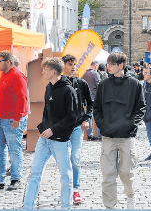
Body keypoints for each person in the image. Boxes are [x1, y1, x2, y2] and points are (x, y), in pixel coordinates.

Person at [23, 58, 78, 209]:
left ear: (53, 71)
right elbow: (47, 111)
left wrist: (53, 129)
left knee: (65, 176)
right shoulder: (48, 87)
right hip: (44, 139)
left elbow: (72, 117)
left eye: (45, 69)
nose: (42, 72)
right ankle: (28, 206)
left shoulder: (69, 90)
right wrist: (43, 127)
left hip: (60, 140)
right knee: (34, 173)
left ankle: (66, 206)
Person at [93, 51, 145, 210]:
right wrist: (103, 125)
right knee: (108, 174)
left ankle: (130, 196)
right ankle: (110, 206)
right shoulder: (103, 84)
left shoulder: (134, 84)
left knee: (126, 173)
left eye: (111, 64)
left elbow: (141, 108)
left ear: (120, 66)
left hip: (127, 136)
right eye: (107, 64)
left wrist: (131, 124)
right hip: (108, 136)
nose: (107, 66)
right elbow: (97, 108)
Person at [0, 50, 28, 191]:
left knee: (14, 150)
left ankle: (16, 179)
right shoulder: (5, 74)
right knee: (0, 150)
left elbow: (23, 98)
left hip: (12, 120)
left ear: (7, 62)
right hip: (2, 118)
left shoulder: (17, 76)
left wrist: (18, 117)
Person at [61, 54, 93, 205]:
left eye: (74, 64)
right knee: (64, 160)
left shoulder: (81, 83)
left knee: (75, 158)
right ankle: (66, 189)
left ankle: (76, 190)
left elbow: (91, 103)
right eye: (69, 64)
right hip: (61, 129)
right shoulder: (57, 84)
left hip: (76, 127)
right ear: (63, 66)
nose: (73, 67)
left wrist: (87, 119)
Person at [83, 61, 101, 140]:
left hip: (86, 97)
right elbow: (99, 85)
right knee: (98, 115)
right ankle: (100, 135)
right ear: (96, 66)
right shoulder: (95, 74)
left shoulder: (84, 73)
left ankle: (88, 134)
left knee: (88, 116)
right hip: (95, 97)